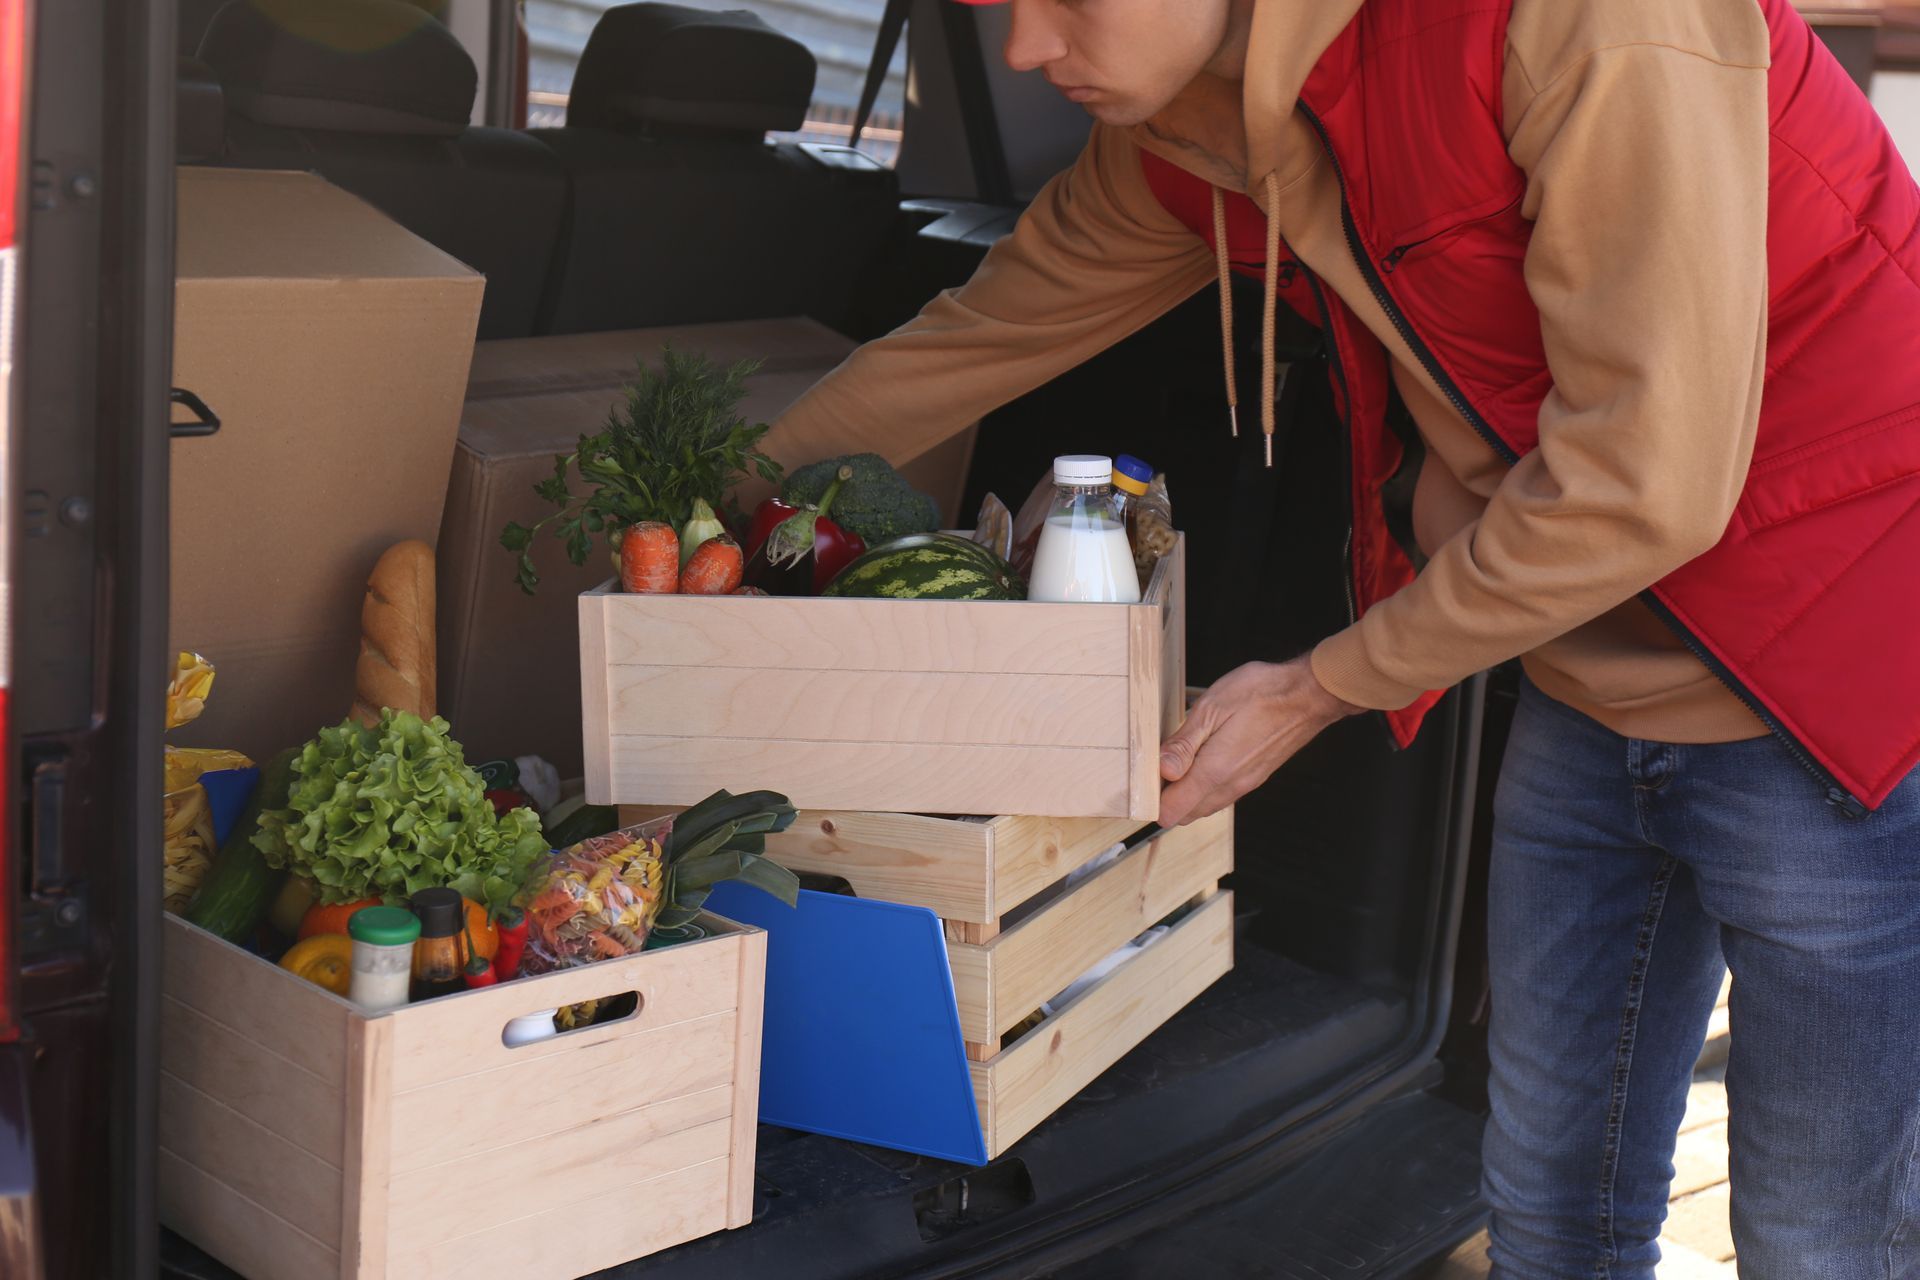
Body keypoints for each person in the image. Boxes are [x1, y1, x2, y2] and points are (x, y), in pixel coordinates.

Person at [762, 0, 1920, 1274]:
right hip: (1587, 683)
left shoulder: (1578, 19)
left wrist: (1323, 685)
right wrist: (700, 506)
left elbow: (1649, 479)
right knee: (1546, 1219)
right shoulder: (1188, 140)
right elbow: (965, 343)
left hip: (1845, 685)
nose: (1028, 49)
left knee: (1822, 1238)